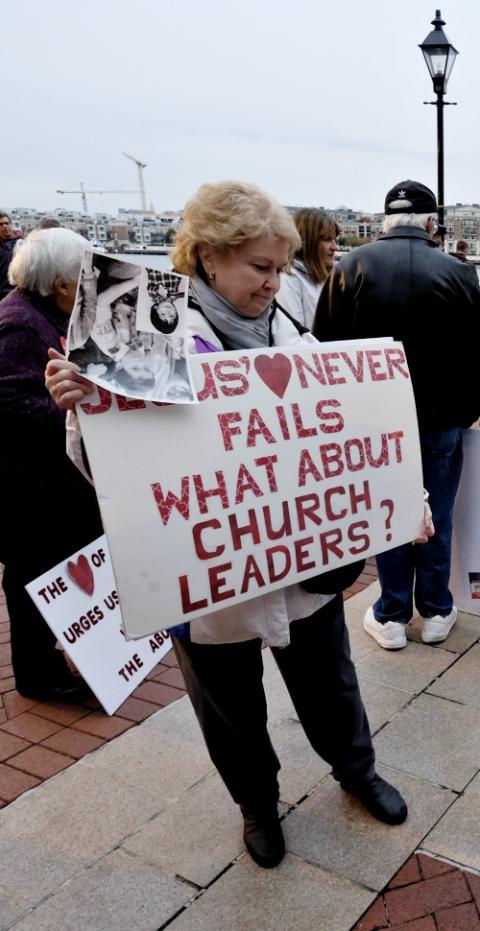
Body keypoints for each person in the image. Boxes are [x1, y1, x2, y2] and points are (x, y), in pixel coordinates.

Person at [46, 180, 411, 869]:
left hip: (303, 561)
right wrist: (86, 406)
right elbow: (117, 470)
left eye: (281, 268)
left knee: (331, 681)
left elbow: (344, 431)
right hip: (206, 575)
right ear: (210, 256)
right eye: (260, 267)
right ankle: (257, 803)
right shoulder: (140, 320)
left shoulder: (296, 313)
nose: (275, 283)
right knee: (228, 706)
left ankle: (356, 769)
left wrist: (392, 498)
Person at [313, 179, 480, 651]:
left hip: (373, 422)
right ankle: (435, 610)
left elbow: (322, 351)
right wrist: (468, 411)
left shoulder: (350, 266)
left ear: (384, 222)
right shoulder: (459, 272)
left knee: (386, 513)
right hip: (440, 418)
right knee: (438, 515)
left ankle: (390, 614)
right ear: (431, 223)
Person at [0, 228, 103, 700]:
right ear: (62, 283)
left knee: (48, 569)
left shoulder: (40, 310)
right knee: (30, 575)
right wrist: (80, 410)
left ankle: (57, 662)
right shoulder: (20, 322)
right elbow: (10, 402)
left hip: (43, 480)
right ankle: (39, 677)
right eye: (86, 272)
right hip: (27, 485)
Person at [276, 208, 339, 328]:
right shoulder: (288, 280)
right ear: (308, 242)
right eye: (327, 240)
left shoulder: (326, 276)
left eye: (334, 239)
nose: (334, 247)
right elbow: (293, 336)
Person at [0, 212, 22, 300]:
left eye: (6, 223)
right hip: (2, 294)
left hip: (20, 293)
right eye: (0, 224)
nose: (5, 226)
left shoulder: (23, 243)